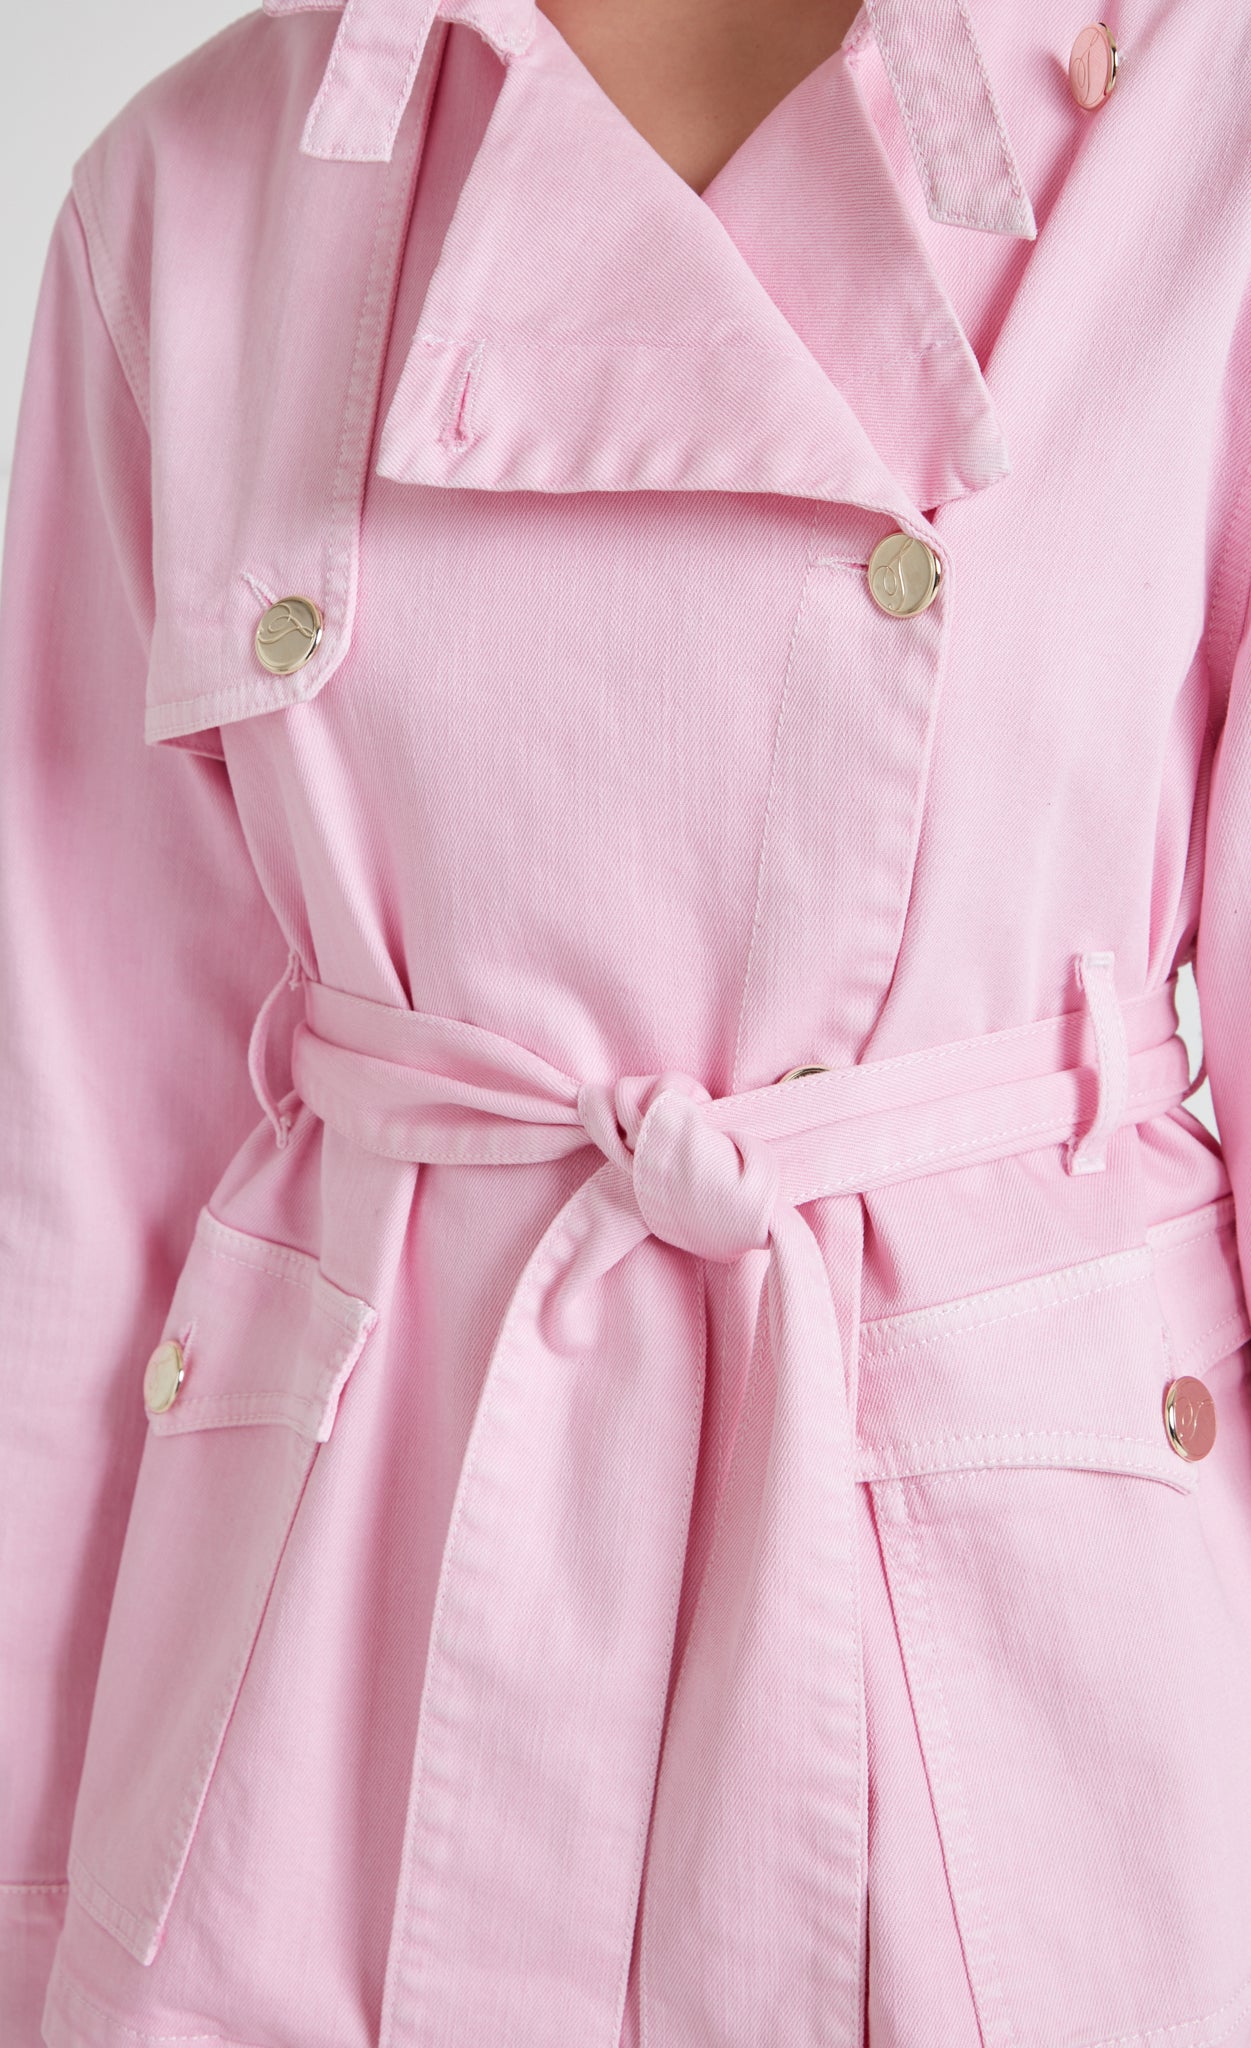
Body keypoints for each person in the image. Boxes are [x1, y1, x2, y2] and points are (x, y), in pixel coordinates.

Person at [4, 1, 1251, 2044]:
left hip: (1031, 1690)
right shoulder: (195, 184)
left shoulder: (1196, 120)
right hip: (333, 1700)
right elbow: (73, 1167)